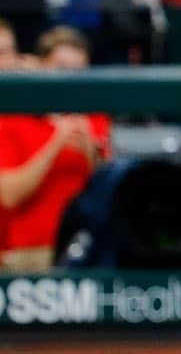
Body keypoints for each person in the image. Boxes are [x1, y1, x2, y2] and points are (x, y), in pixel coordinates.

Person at [0, 26, 110, 271]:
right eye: (60, 67)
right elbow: (9, 195)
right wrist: (56, 142)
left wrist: (90, 151)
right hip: (27, 251)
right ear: (40, 66)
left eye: (78, 70)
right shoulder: (12, 117)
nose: (69, 77)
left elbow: (104, 192)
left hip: (84, 246)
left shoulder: (94, 118)